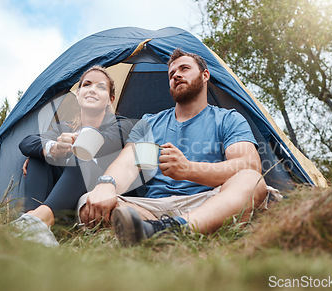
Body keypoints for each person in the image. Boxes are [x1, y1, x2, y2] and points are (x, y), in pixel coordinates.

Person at [78, 49, 268, 246]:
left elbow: (249, 165)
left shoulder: (228, 119)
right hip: (153, 208)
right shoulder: (151, 123)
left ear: (205, 76)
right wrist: (106, 184)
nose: (176, 75)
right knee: (88, 202)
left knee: (252, 180)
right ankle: (156, 231)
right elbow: (128, 165)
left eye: (184, 69)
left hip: (209, 202)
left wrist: (189, 169)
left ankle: (171, 229)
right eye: (171, 74)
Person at [12, 66, 133, 247]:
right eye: (87, 84)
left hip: (96, 192)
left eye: (101, 87)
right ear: (78, 94)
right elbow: (27, 142)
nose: (92, 89)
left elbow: (103, 142)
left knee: (81, 154)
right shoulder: (64, 127)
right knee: (38, 157)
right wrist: (52, 149)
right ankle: (32, 223)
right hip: (62, 194)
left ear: (110, 99)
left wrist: (71, 144)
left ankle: (37, 221)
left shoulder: (122, 124)